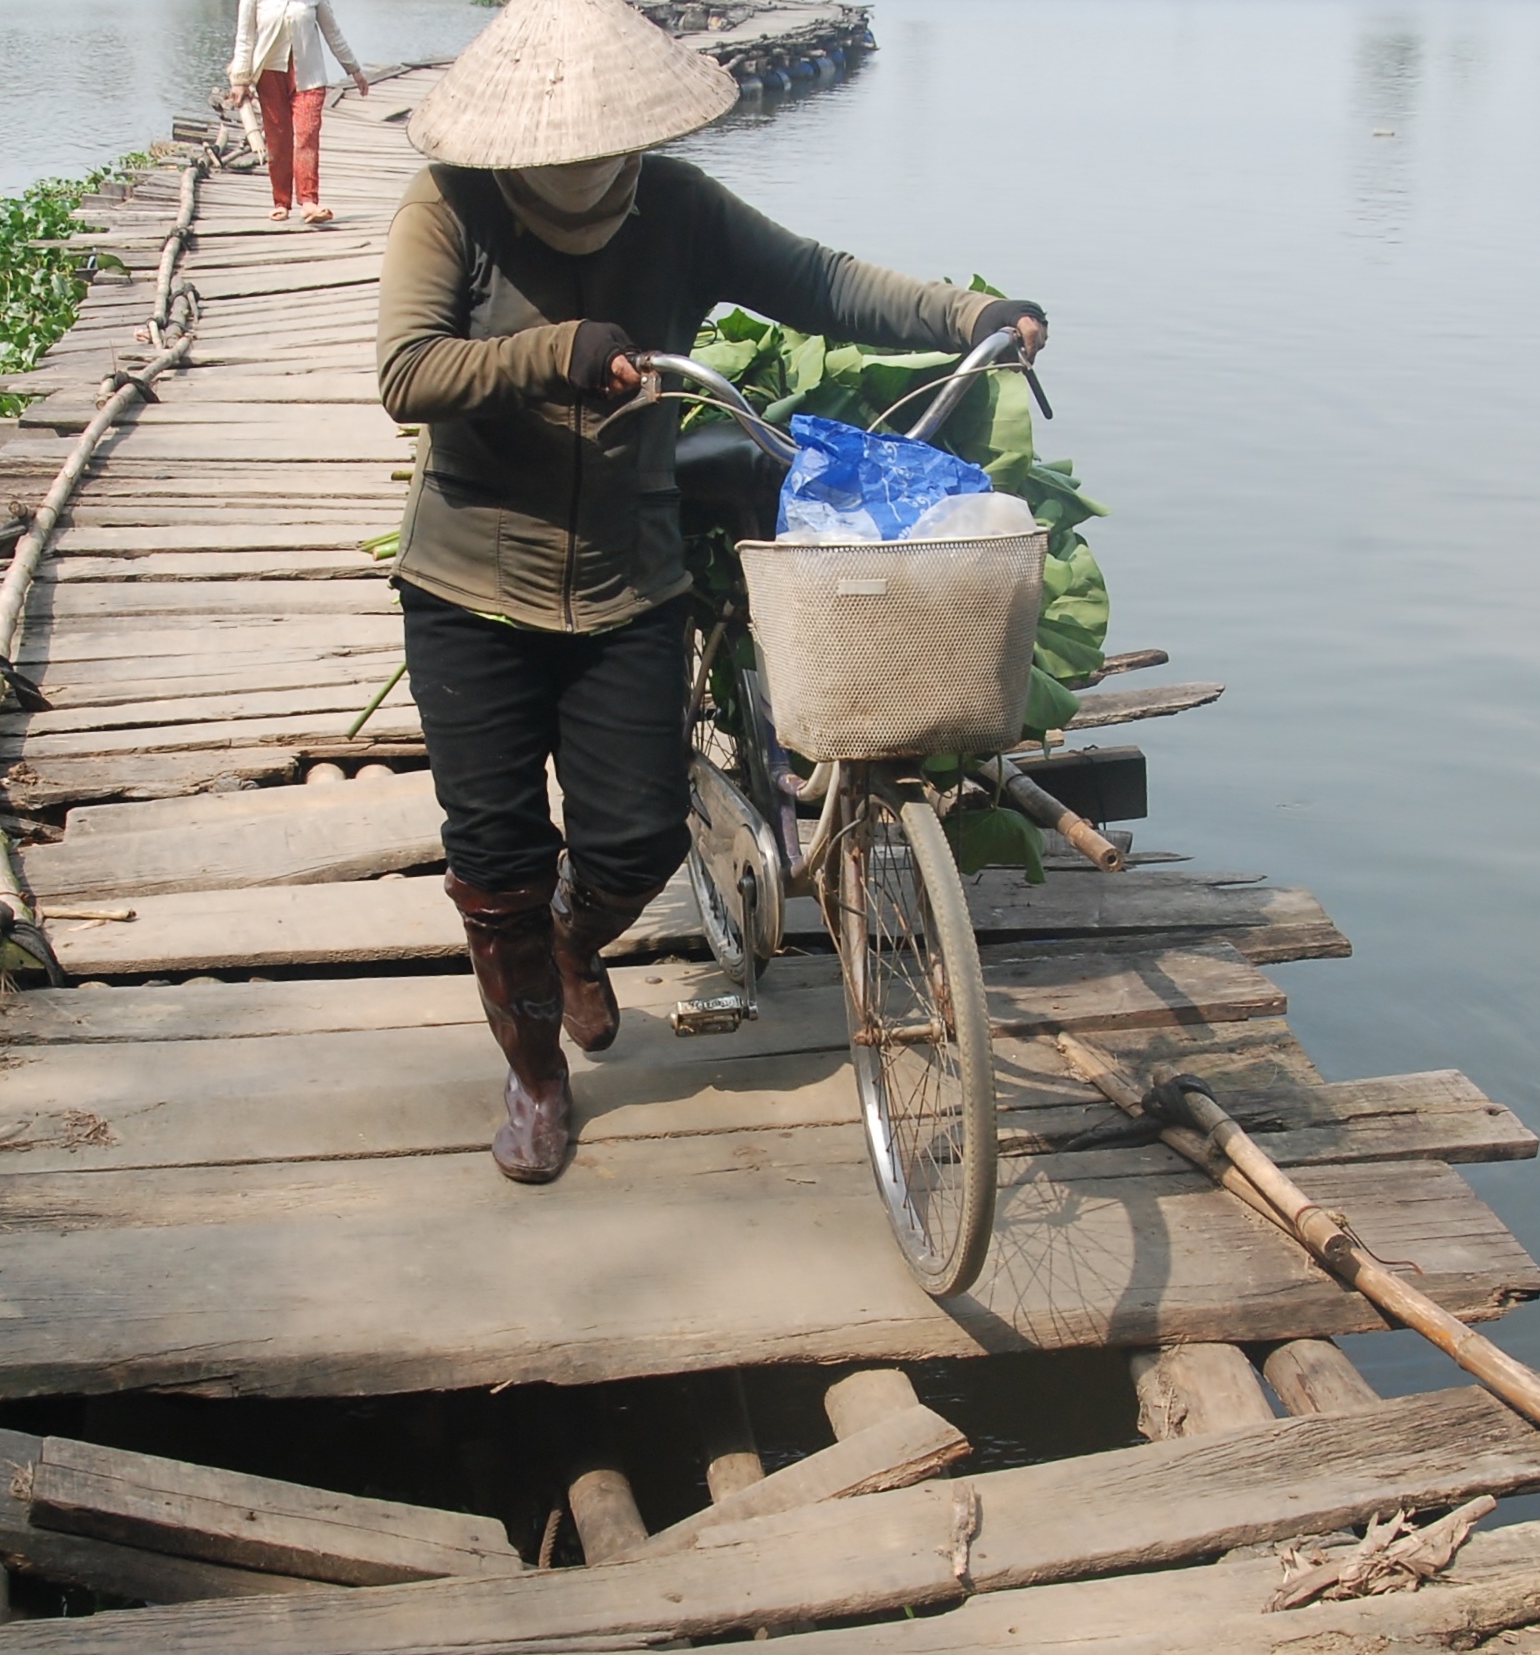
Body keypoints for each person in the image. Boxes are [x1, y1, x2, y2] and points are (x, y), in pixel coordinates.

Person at [377, 0, 1049, 1185]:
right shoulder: (451, 206)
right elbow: (408, 370)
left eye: (606, 140)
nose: (585, 161)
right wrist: (556, 349)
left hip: (631, 577)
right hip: (469, 585)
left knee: (633, 839)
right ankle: (536, 1077)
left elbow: (820, 281)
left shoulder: (676, 206)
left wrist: (969, 315)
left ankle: (572, 945)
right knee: (495, 851)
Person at [229, 0, 371, 223]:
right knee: (278, 139)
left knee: (307, 135)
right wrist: (240, 79)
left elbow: (332, 32)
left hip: (310, 77)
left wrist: (354, 69)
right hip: (269, 75)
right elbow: (245, 38)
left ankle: (308, 201)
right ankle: (281, 202)